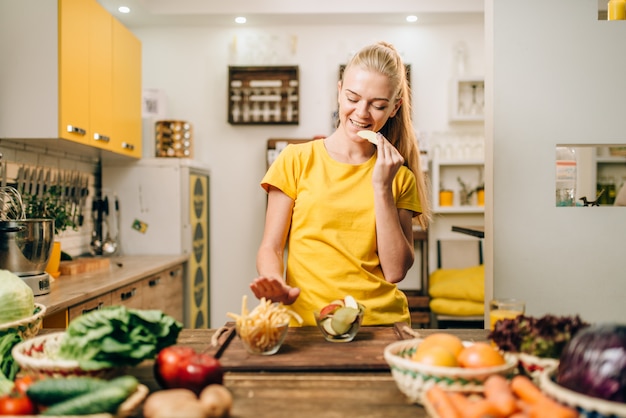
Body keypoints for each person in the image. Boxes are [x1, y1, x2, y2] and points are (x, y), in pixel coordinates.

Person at [250, 41, 431, 326]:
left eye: (378, 105)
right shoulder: (295, 160)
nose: (361, 113)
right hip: (308, 323)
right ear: (339, 92)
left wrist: (382, 187)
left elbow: (395, 271)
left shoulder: (398, 176)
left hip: (379, 323)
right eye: (353, 98)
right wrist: (276, 284)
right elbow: (271, 247)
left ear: (394, 108)